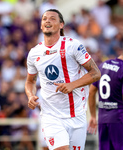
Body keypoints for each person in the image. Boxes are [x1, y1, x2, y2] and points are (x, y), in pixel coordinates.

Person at [24, 9, 101, 150]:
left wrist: (72, 85)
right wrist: (30, 95)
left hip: (77, 115)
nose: (47, 21)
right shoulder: (34, 53)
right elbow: (30, 81)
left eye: (52, 18)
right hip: (51, 116)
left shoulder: (73, 46)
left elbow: (96, 73)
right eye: (44, 19)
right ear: (41, 25)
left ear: (61, 25)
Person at [88, 43, 123, 150]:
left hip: (103, 119)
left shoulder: (103, 65)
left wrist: (93, 116)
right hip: (119, 120)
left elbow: (91, 92)